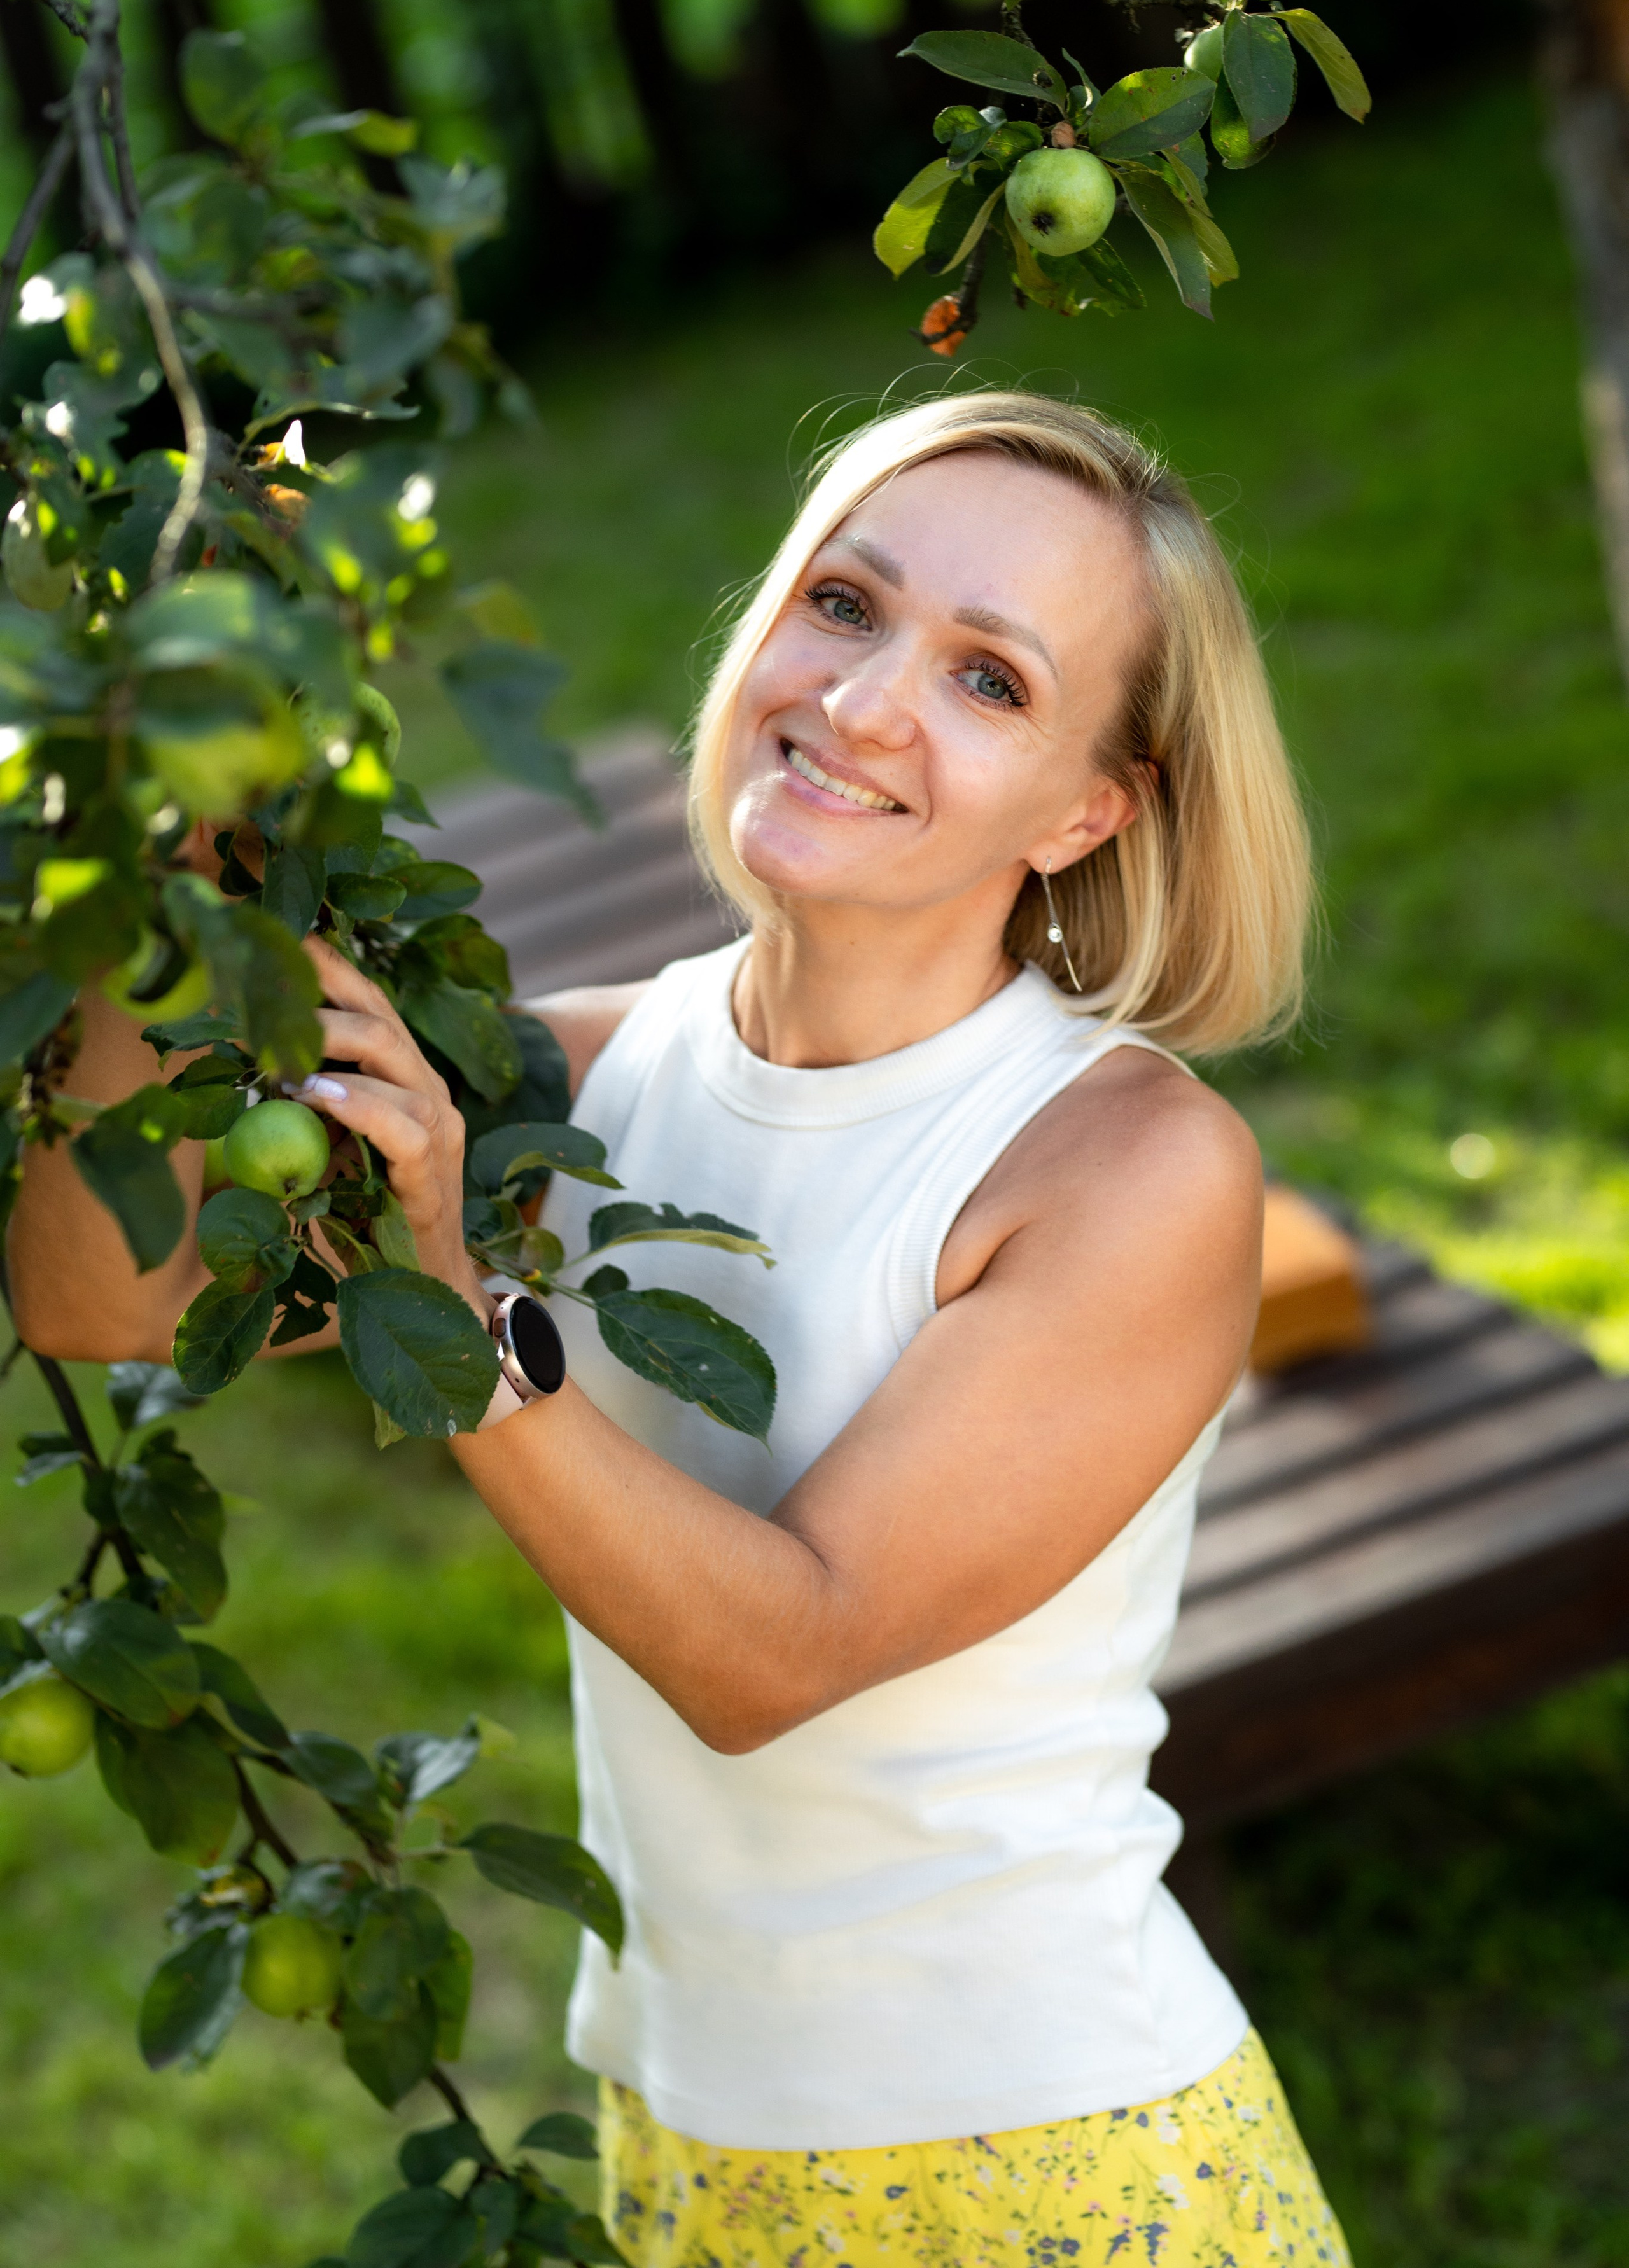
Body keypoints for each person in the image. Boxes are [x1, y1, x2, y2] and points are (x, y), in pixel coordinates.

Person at [11, 391, 1348, 2267]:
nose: (868, 700)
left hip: (1044, 2145)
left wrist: (461, 1320)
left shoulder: (1125, 1167)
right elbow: (91, 1297)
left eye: (990, 682)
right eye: (849, 605)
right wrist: (145, 861)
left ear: (1091, 808)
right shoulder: (589, 1080)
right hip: (688, 2121)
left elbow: (774, 1658)